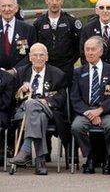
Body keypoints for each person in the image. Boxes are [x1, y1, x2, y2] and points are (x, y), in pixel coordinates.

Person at [8, 43, 69, 174]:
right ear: (30, 57)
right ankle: (40, 161)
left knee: (33, 104)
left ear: (47, 57)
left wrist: (45, 101)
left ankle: (25, 150)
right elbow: (14, 97)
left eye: (42, 55)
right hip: (24, 112)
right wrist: (21, 91)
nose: (38, 58)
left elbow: (61, 98)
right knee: (37, 114)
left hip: (49, 109)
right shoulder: (21, 72)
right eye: (35, 55)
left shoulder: (57, 74)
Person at [71, 37, 110, 174]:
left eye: (93, 49)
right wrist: (90, 113)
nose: (90, 53)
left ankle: (109, 158)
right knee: (76, 127)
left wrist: (100, 110)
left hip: (107, 112)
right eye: (87, 50)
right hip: (86, 112)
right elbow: (75, 98)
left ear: (100, 51)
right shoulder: (78, 72)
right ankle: (89, 157)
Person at [32, 0, 81, 76]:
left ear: (62, 1)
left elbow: (79, 46)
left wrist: (69, 62)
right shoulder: (38, 23)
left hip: (66, 71)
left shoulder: (72, 22)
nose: (54, 3)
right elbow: (34, 46)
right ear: (46, 0)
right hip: (45, 70)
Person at [0, 0, 35, 70]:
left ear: (16, 8)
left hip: (20, 75)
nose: (6, 9)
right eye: (3, 6)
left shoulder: (28, 29)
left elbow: (31, 54)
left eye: (10, 6)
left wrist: (15, 70)